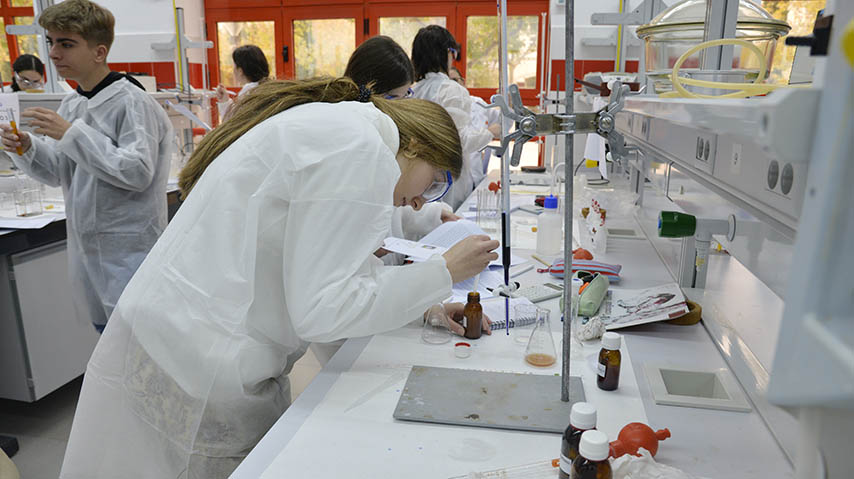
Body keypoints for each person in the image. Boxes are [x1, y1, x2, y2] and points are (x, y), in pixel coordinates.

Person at [57, 76, 498, 478]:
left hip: (180, 335)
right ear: (417, 144)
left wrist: (425, 307)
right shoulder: (363, 150)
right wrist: (443, 271)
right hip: (202, 359)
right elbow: (324, 311)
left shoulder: (347, 130)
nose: (422, 201)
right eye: (436, 181)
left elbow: (333, 270)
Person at [0, 0, 173, 333]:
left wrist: (71, 134)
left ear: (99, 51)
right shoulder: (73, 103)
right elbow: (56, 172)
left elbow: (137, 173)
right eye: (51, 42)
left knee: (141, 350)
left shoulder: (131, 102)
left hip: (129, 253)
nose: (53, 53)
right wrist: (27, 148)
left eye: (67, 43)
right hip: (88, 254)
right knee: (108, 345)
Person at [412, 25, 500, 210]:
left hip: (416, 179)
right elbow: (459, 142)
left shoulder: (415, 89)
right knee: (449, 227)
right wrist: (489, 133)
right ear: (446, 53)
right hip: (449, 183)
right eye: (453, 52)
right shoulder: (451, 89)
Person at [448, 65, 502, 187]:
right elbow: (462, 141)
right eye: (447, 82)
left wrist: (507, 106)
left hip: (476, 176)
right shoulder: (443, 107)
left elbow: (502, 124)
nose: (452, 86)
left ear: (463, 82)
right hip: (456, 181)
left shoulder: (477, 103)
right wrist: (489, 133)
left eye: (454, 80)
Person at [215, 44, 270, 121]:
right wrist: (225, 101)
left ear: (240, 71)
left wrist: (224, 102)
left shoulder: (249, 91)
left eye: (234, 66)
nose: (233, 71)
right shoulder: (267, 86)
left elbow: (233, 123)